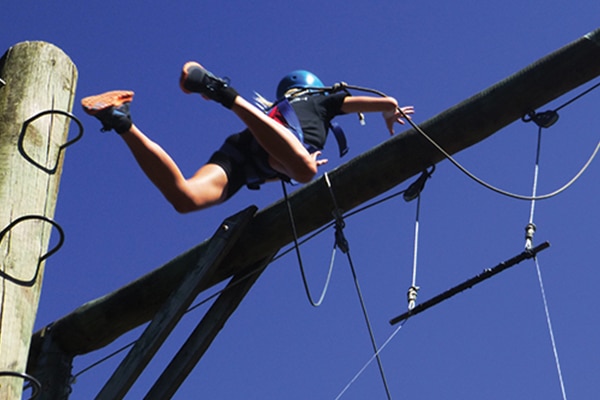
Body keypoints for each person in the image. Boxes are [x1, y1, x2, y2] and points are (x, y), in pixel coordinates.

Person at [81, 62, 414, 213]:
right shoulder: (323, 98)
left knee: (185, 198)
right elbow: (384, 102)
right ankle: (224, 93)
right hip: (272, 146)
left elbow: (272, 164)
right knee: (306, 172)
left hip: (246, 153)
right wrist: (390, 110)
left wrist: (286, 166)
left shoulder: (278, 107)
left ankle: (120, 120)